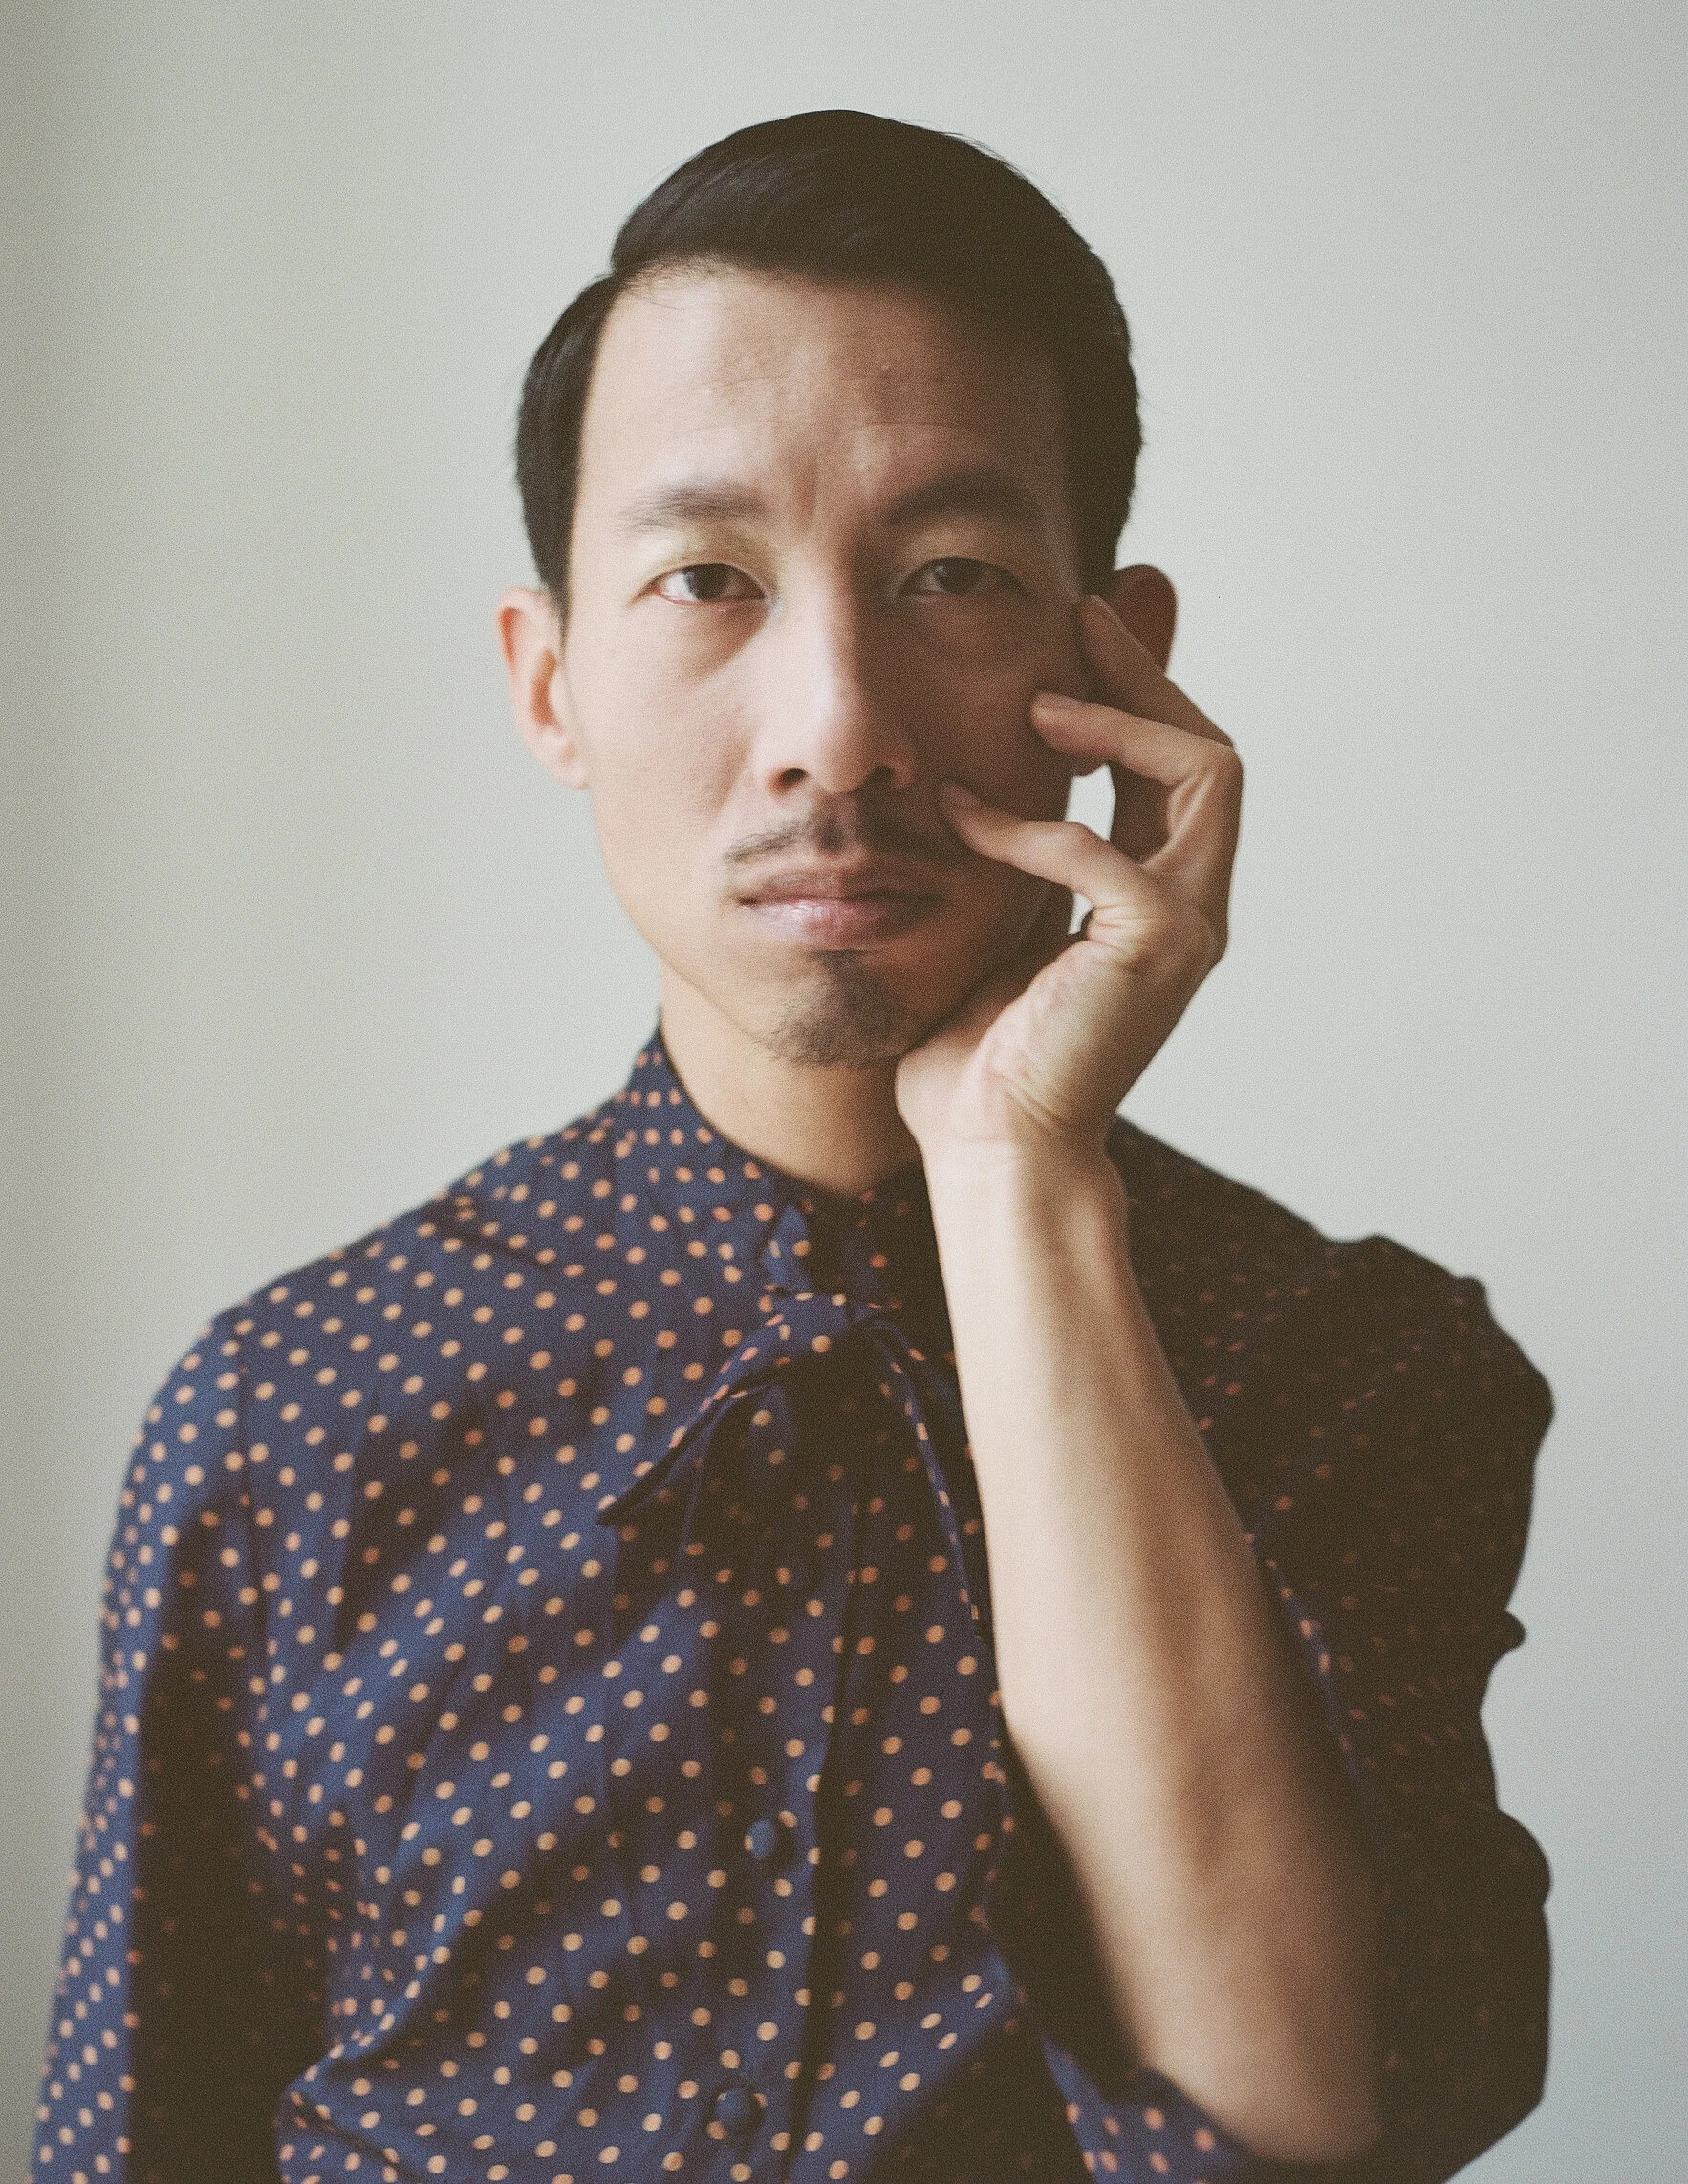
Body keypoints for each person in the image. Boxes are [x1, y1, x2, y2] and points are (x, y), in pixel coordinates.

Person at [34, 111, 1552, 2184]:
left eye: (945, 576)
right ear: (549, 680)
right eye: (707, 581)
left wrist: (1016, 1178)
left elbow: (1305, 2118)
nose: (833, 722)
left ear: (1114, 663)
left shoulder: (1353, 1382)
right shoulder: (287, 1422)